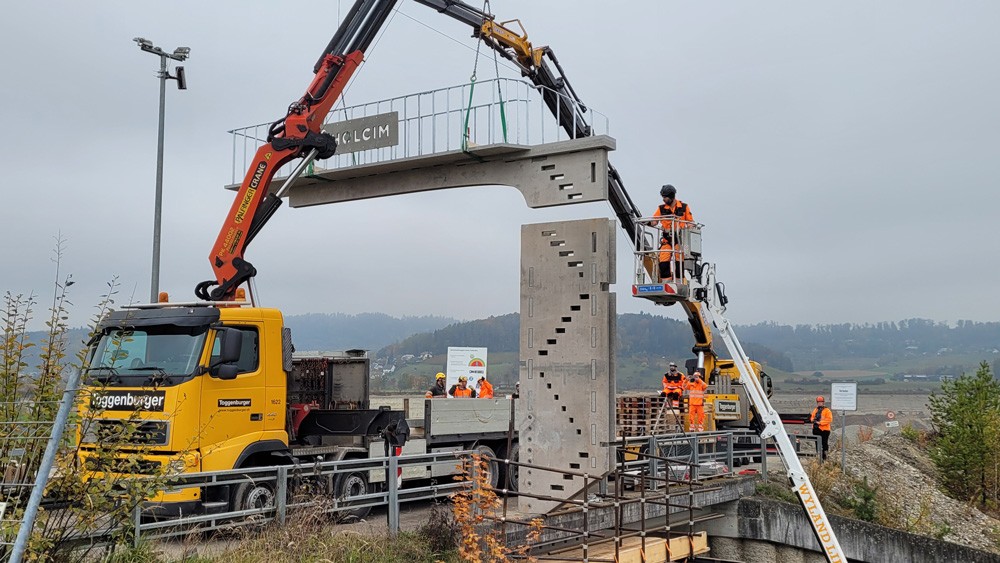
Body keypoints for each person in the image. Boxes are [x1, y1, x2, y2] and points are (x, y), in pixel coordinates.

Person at [650, 185, 693, 282]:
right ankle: (666, 283)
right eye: (663, 197)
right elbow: (654, 221)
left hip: (679, 240)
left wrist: (689, 237)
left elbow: (690, 223)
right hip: (667, 240)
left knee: (679, 262)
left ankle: (679, 284)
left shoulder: (684, 207)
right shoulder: (661, 208)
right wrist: (648, 222)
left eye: (665, 197)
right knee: (663, 260)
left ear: (672, 196)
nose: (663, 199)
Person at [811, 396, 833, 461]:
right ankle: (818, 456)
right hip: (816, 429)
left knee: (824, 443)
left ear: (823, 402)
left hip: (824, 430)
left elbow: (829, 419)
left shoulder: (827, 411)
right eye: (818, 402)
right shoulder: (815, 410)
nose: (819, 403)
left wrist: (820, 423)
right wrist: (813, 420)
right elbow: (812, 417)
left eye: (821, 402)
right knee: (817, 443)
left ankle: (824, 457)